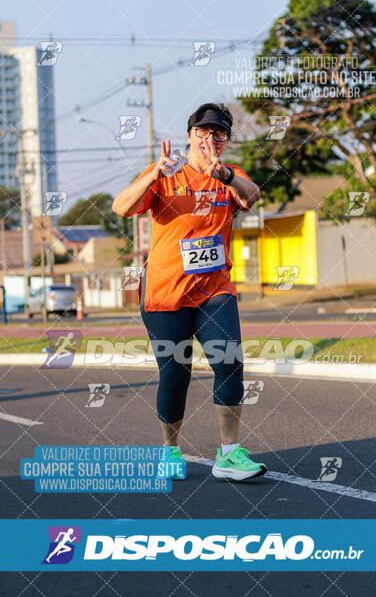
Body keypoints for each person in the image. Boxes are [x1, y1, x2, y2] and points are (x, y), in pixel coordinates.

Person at [112, 102, 267, 482]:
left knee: (229, 362)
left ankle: (229, 453)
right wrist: (152, 176)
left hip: (215, 289)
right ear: (189, 135)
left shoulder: (228, 176)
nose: (210, 139)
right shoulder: (165, 173)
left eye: (219, 133)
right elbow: (121, 206)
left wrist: (226, 175)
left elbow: (251, 196)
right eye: (203, 131)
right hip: (165, 293)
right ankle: (169, 450)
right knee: (175, 373)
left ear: (226, 141)